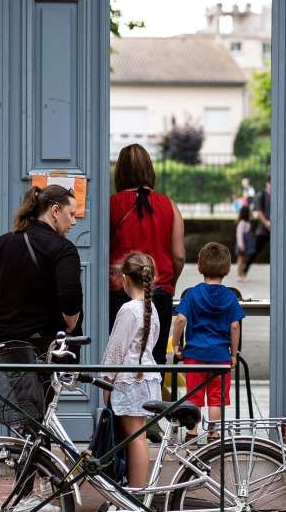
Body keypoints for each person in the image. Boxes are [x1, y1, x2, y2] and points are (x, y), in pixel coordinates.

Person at [0, 183, 82, 355]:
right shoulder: (63, 248)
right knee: (46, 383)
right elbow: (69, 295)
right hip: (46, 345)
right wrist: (71, 324)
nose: (74, 221)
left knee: (10, 383)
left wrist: (0, 309)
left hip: (4, 344)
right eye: (71, 214)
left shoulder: (3, 242)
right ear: (55, 211)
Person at [109, 143, 185, 365]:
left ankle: (118, 400)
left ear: (120, 172)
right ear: (150, 171)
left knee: (119, 356)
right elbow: (179, 255)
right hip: (158, 289)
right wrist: (170, 283)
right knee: (155, 356)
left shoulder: (112, 205)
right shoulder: (169, 205)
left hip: (118, 289)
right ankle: (152, 399)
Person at [169, 242, 244, 430]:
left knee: (193, 397)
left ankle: (192, 434)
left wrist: (176, 344)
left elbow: (180, 320)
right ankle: (213, 435)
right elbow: (234, 327)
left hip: (194, 356)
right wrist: (233, 354)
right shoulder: (230, 297)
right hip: (219, 357)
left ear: (200, 267)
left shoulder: (193, 294)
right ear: (227, 269)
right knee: (216, 399)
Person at [103, 252, 162, 487]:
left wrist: (106, 380)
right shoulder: (151, 308)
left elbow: (116, 350)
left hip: (129, 379)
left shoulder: (129, 309)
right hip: (146, 377)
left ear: (125, 279)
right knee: (140, 437)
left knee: (134, 437)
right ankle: (139, 489)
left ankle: (137, 493)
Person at [233, 204, 257, 281]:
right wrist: (241, 245)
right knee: (240, 260)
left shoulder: (247, 222)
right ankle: (239, 275)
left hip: (247, 244)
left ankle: (242, 274)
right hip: (243, 244)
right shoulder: (242, 223)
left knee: (244, 260)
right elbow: (239, 234)